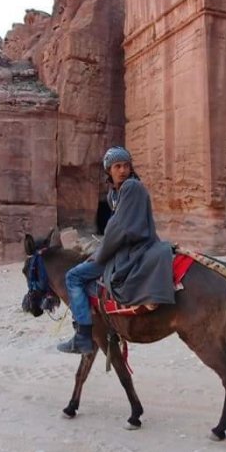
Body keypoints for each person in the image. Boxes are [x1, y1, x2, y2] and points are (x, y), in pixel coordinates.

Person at [57, 146, 175, 354]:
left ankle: (83, 335)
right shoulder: (115, 194)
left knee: (73, 277)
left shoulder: (131, 187)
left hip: (130, 250)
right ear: (108, 171)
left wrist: (98, 255)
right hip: (123, 246)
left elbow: (118, 228)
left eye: (126, 165)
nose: (122, 170)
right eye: (117, 166)